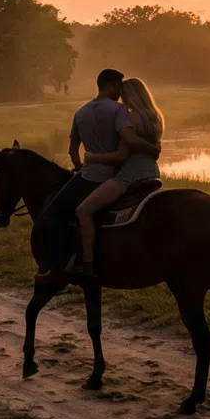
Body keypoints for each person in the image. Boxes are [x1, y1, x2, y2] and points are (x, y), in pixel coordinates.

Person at [36, 68, 136, 281]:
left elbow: (73, 151)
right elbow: (126, 140)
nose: (121, 91)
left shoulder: (81, 112)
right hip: (115, 175)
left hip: (90, 175)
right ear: (109, 86)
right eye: (118, 86)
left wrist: (80, 166)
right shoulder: (119, 111)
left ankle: (59, 265)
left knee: (54, 212)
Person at [71, 76, 164, 278]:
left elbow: (121, 155)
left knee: (84, 210)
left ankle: (87, 265)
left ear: (130, 95)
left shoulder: (131, 119)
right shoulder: (156, 118)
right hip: (152, 172)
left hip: (130, 175)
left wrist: (91, 157)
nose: (120, 100)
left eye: (123, 95)